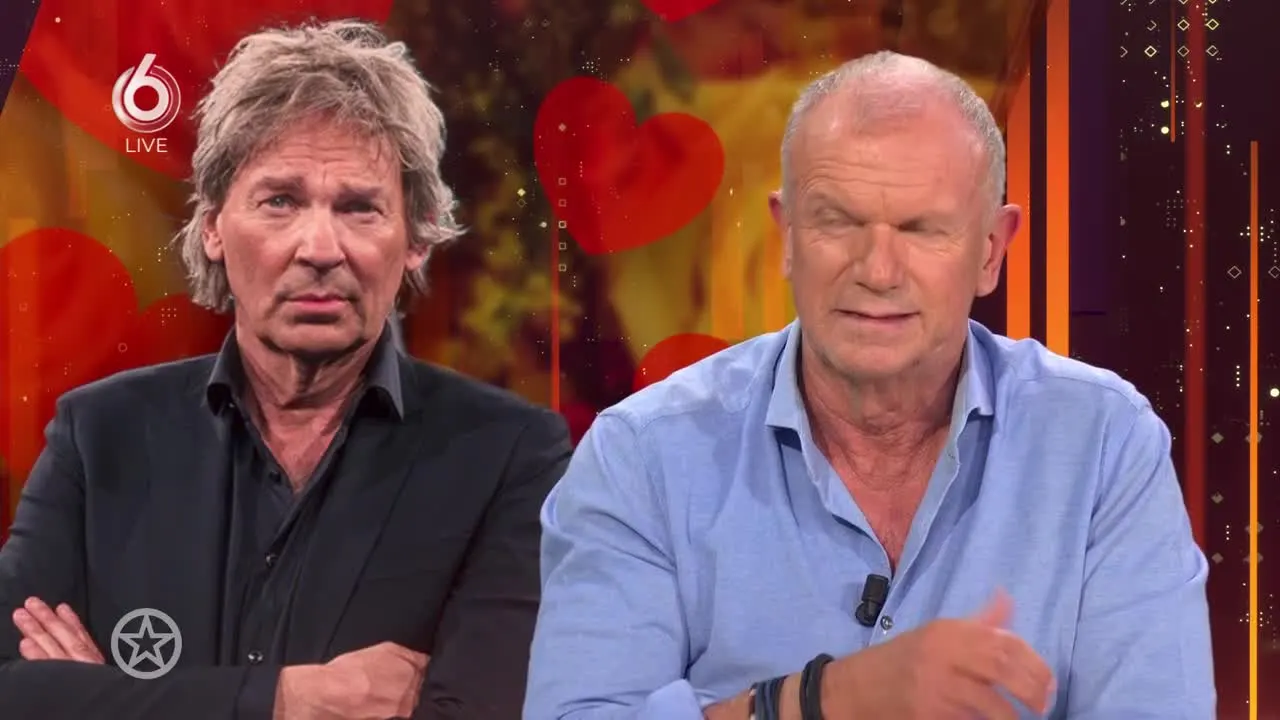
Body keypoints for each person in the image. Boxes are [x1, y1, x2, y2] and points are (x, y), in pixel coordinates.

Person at [525, 51, 1215, 719]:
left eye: (922, 229)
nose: (878, 270)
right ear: (787, 236)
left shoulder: (1103, 445)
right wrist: (824, 700)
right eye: (838, 221)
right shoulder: (642, 456)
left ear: (991, 251)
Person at [0, 19, 571, 720]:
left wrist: (111, 699)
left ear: (417, 239)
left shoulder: (511, 455)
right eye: (280, 201)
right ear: (213, 226)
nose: (320, 247)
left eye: (360, 207)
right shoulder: (99, 433)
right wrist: (288, 699)